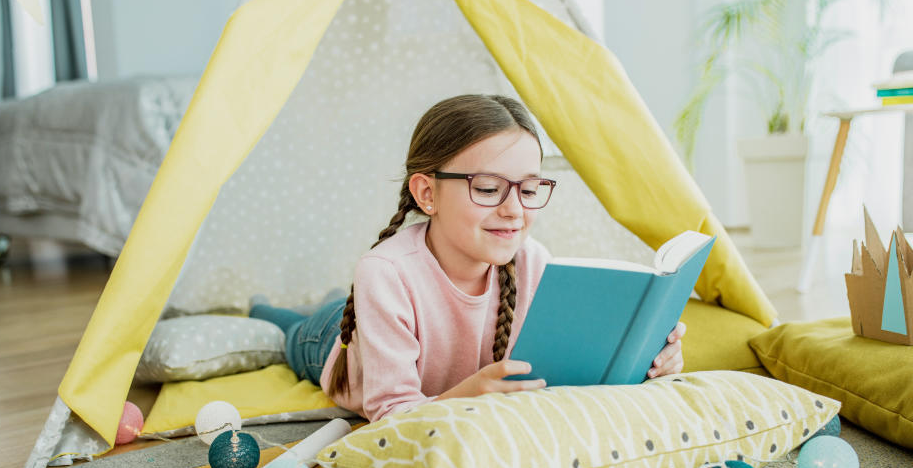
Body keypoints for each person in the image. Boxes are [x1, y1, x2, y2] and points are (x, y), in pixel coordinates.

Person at [250, 94, 686, 422]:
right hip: (330, 340)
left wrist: (651, 361)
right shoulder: (385, 273)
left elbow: (563, 376)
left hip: (383, 321)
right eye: (488, 187)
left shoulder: (533, 261)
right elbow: (390, 415)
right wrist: (465, 395)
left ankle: (322, 303)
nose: (514, 209)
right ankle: (268, 310)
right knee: (287, 330)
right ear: (427, 193)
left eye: (529, 189)